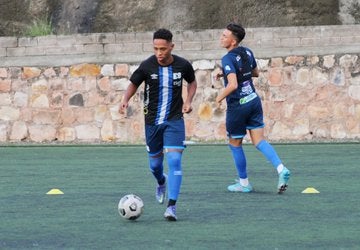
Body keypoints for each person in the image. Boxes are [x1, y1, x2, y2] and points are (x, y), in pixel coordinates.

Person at [119, 28, 197, 221]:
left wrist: (188, 101)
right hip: (152, 122)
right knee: (155, 165)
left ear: (172, 46)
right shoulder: (147, 66)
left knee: (174, 161)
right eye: (156, 49)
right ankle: (161, 181)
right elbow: (133, 84)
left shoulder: (183, 65)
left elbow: (192, 83)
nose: (160, 53)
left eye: (163, 49)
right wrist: (125, 99)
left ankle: (172, 207)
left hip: (174, 120)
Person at [215, 23, 291, 194]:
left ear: (233, 41)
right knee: (259, 141)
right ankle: (281, 169)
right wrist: (225, 73)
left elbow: (233, 85)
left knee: (235, 143)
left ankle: (244, 183)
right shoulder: (248, 51)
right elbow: (254, 73)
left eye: (224, 36)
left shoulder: (227, 58)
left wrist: (218, 98)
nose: (221, 37)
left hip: (238, 106)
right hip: (253, 101)